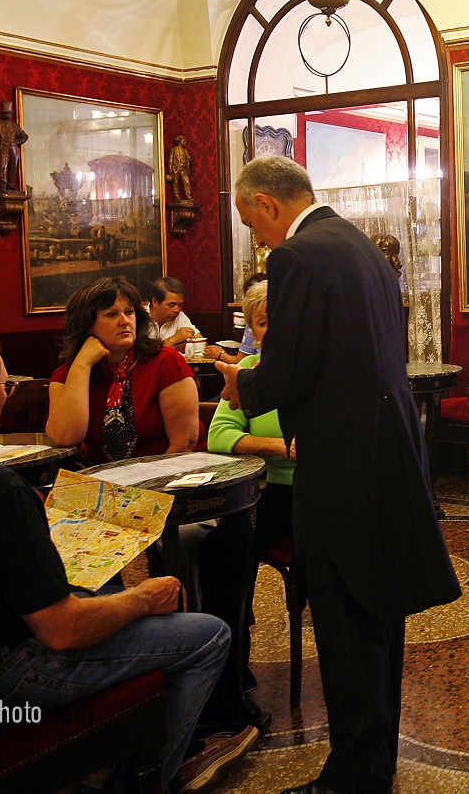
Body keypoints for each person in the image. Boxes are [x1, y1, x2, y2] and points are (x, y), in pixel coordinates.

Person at [0, 324, 252, 792]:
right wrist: (145, 598)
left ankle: (122, 750)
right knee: (207, 635)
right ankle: (140, 781)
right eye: (5, 386)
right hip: (3, 682)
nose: (7, 395)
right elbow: (61, 629)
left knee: (105, 587)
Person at [215, 156, 459, 794]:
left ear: (267, 203)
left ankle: (353, 777)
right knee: (378, 611)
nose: (256, 238)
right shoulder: (361, 246)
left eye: (251, 222)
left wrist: (242, 383)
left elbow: (291, 369)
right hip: (385, 449)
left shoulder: (297, 257)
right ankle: (374, 760)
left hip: (341, 463)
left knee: (345, 617)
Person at [204, 280, 294, 697]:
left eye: (282, 320)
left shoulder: (321, 370)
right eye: (262, 322)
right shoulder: (247, 374)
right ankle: (230, 676)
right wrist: (279, 447)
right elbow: (218, 435)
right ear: (252, 332)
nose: (272, 330)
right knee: (220, 552)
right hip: (272, 494)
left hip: (324, 499)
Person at [46, 276, 199, 463]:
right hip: (100, 476)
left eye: (129, 312)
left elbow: (184, 444)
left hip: (169, 471)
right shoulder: (68, 373)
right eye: (112, 314)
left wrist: (145, 481)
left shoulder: (165, 362)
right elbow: (64, 437)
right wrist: (82, 365)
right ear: (87, 325)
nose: (125, 321)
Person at [205, 272, 267, 365]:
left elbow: (238, 360)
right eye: (263, 323)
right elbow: (241, 362)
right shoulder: (249, 363)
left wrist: (220, 354)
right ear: (254, 333)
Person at [0, 100, 28, 192]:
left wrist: (17, 142)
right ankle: (3, 185)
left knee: (13, 166)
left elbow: (25, 136)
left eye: (9, 113)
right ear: (2, 114)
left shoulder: (14, 126)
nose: (8, 115)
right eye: (6, 113)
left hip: (13, 148)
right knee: (3, 167)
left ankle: (10, 184)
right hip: (2, 148)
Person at [147, 276, 200, 351]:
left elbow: (200, 343)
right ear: (155, 302)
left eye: (180, 305)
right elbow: (143, 353)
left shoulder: (179, 316)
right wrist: (173, 339)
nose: (177, 310)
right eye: (171, 305)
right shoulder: (138, 317)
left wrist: (173, 348)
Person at [169, 135, 195, 203]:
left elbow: (189, 158)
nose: (184, 142)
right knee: (175, 183)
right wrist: (170, 169)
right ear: (179, 141)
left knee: (186, 182)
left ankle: (188, 196)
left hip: (184, 168)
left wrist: (188, 159)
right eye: (183, 141)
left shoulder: (185, 150)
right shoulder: (173, 150)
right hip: (176, 169)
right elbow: (171, 160)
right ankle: (177, 197)